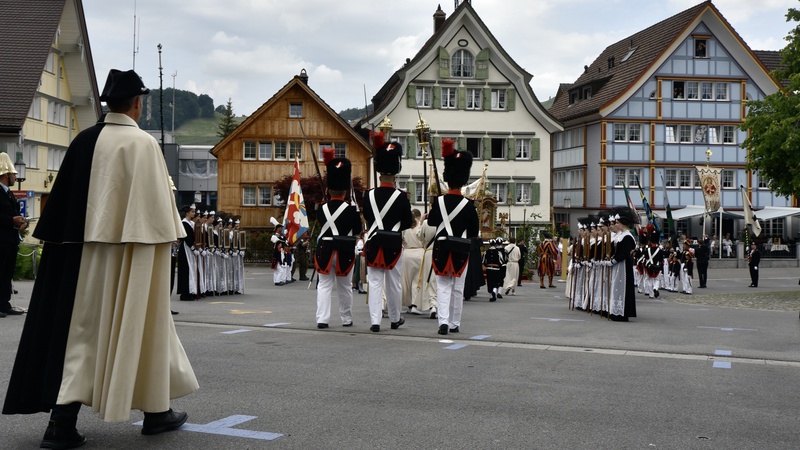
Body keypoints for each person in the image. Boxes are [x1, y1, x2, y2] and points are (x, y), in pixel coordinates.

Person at [3, 69, 198, 447]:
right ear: (138, 103)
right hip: (132, 256)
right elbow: (161, 219)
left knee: (81, 331)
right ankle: (140, 414)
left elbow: (63, 215)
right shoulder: (142, 145)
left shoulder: (83, 142)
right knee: (139, 325)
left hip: (81, 259)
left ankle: (71, 421)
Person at [426, 139, 479, 335]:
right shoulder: (469, 205)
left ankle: (443, 322)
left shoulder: (439, 201)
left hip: (441, 246)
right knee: (458, 287)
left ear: (447, 178)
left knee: (442, 285)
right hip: (461, 248)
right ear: (464, 179)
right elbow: (474, 231)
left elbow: (431, 222)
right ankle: (455, 323)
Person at [362, 132, 412, 332]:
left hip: (374, 240)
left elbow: (367, 216)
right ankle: (394, 318)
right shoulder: (401, 197)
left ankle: (375, 321)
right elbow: (407, 223)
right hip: (393, 242)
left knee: (374, 283)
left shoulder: (369, 195)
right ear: (395, 173)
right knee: (394, 283)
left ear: (379, 172)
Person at [314, 149, 363, 328]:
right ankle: (346, 318)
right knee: (344, 286)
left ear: (328, 190)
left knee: (324, 286)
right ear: (345, 191)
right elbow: (357, 229)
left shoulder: (322, 208)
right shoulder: (351, 210)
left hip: (325, 249)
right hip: (344, 250)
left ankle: (322, 319)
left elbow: (320, 224)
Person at [0, 152, 27, 317]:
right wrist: (11, 220)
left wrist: (21, 223)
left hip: (9, 240)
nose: (15, 177)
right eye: (13, 174)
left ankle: (4, 303)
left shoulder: (8, 193)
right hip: (1, 240)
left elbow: (14, 214)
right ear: (6, 174)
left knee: (6, 273)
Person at [609, 207, 637, 321]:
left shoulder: (627, 236)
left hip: (624, 265)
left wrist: (615, 260)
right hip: (618, 265)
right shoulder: (619, 236)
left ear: (622, 224)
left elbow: (625, 252)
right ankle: (616, 311)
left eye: (617, 223)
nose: (616, 225)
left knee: (623, 287)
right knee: (616, 286)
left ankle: (623, 312)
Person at [401, 209, 425, 314]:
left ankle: (408, 304)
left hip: (407, 253)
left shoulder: (405, 227)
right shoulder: (419, 225)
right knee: (417, 280)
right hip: (419, 252)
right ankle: (415, 304)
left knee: (406, 280)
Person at [177, 204, 198, 300]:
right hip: (185, 248)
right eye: (192, 212)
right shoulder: (184, 223)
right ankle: (184, 293)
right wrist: (192, 247)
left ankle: (191, 291)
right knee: (185, 270)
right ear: (187, 213)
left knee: (190, 270)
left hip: (190, 248)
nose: (194, 213)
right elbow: (185, 236)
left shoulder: (191, 223)